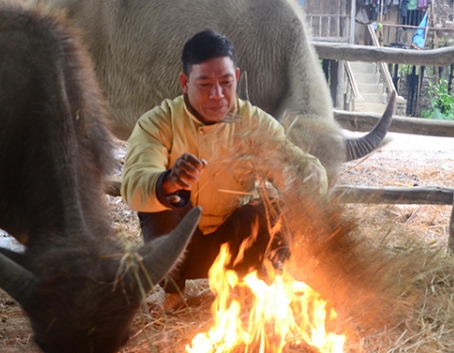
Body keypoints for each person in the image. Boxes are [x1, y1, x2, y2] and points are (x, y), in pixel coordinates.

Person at [121, 30, 328, 312]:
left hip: (233, 243)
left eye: (226, 83)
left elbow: (295, 160)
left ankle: (246, 288)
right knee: (162, 200)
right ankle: (172, 291)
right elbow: (133, 185)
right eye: (205, 84)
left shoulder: (253, 124)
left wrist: (310, 175)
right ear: (184, 83)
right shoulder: (159, 123)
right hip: (178, 246)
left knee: (273, 209)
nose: (217, 95)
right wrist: (169, 182)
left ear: (237, 78)